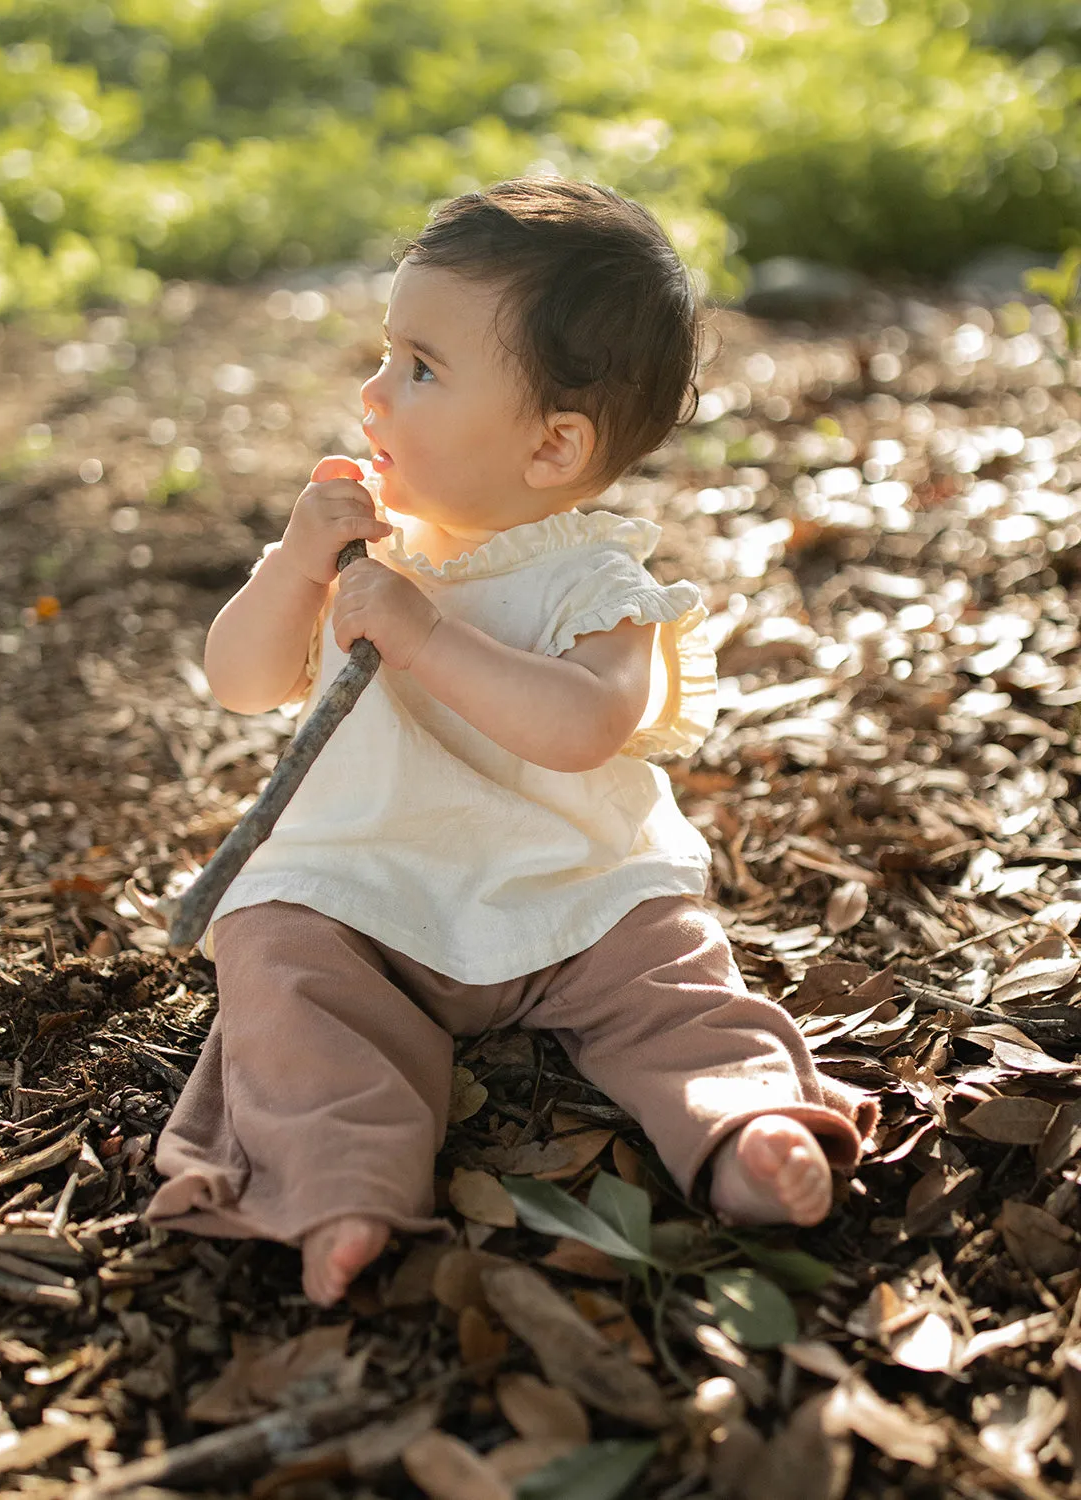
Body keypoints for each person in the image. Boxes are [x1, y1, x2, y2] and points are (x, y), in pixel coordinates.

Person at [145, 178, 877, 1307]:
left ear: (552, 447)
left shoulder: (601, 584)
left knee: (677, 979)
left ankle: (745, 1123)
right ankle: (338, 1181)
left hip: (575, 896)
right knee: (279, 967)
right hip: (366, 893)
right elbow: (239, 683)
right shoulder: (357, 552)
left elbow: (584, 727)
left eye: (421, 370)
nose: (373, 392)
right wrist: (294, 569)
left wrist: (427, 635)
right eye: (388, 354)